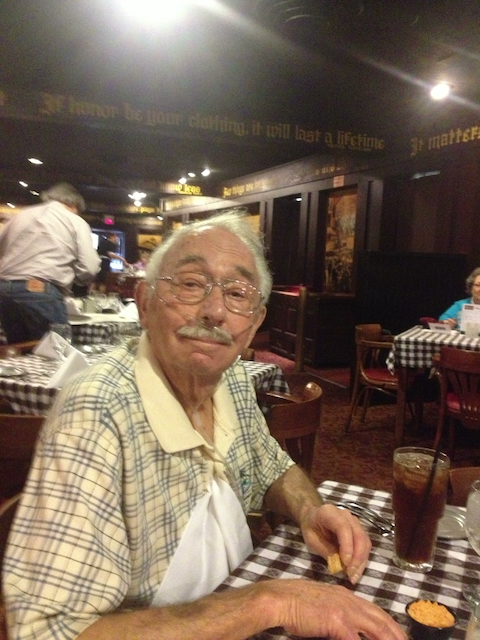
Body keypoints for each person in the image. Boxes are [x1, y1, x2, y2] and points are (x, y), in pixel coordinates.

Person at [3, 211, 406, 640]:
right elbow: (47, 632)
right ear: (144, 304)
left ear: (253, 325)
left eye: (236, 293)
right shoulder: (96, 412)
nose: (214, 311)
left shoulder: (232, 380)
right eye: (192, 284)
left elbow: (272, 467)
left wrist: (310, 510)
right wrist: (271, 602)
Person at [0, 182, 100, 343]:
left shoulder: (19, 216)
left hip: (5, 290)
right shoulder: (75, 220)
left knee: (19, 350)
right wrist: (79, 281)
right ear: (74, 205)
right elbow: (90, 267)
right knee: (54, 351)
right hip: (40, 290)